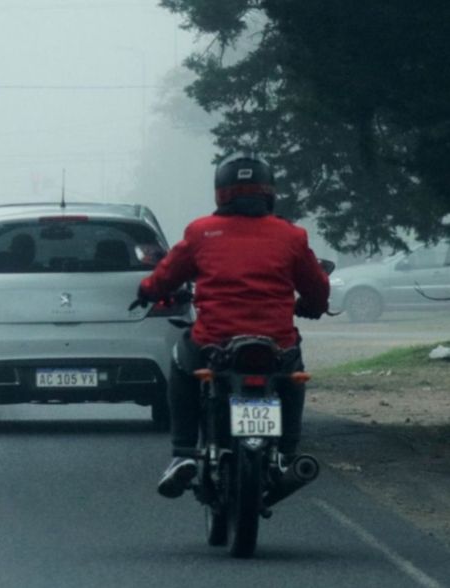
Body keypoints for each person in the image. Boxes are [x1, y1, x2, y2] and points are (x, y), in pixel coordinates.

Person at [130, 152, 331, 499]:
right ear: (269, 192)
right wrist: (312, 307)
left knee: (180, 363)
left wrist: (146, 291)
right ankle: (286, 453)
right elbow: (316, 287)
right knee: (293, 377)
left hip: (214, 343)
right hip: (276, 344)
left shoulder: (201, 232)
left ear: (220, 192)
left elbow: (166, 276)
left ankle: (182, 453)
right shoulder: (291, 236)